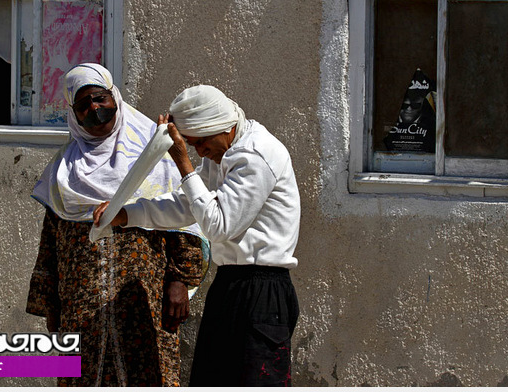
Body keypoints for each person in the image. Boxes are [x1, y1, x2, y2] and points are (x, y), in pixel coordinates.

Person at [93, 85, 301, 387]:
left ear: (222, 126)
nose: (200, 152)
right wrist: (128, 214)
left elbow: (218, 225)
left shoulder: (255, 155)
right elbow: (187, 203)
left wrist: (182, 162)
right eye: (192, 146)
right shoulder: (223, 154)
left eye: (202, 142)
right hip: (230, 284)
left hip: (262, 291)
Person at [26, 64, 209, 387]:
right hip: (81, 302)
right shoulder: (63, 172)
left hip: (144, 298)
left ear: (115, 98)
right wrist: (50, 303)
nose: (94, 108)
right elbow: (50, 242)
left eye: (100, 98)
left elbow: (184, 221)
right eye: (83, 105)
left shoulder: (153, 155)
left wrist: (180, 281)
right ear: (73, 114)